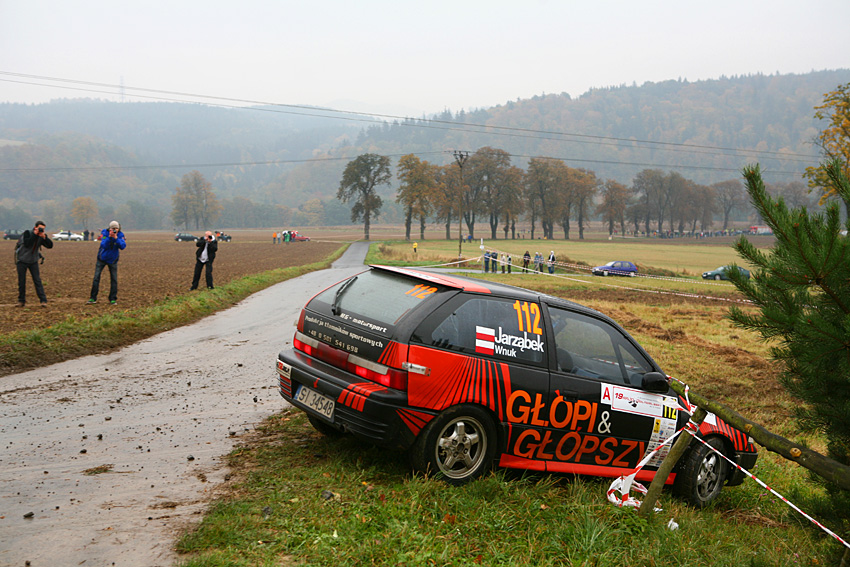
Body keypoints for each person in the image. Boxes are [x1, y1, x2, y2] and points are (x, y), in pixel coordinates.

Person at [15, 220, 53, 307]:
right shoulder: (27, 233)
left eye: (42, 229)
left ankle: (43, 301)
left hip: (33, 261)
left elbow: (50, 246)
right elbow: (28, 243)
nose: (41, 230)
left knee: (37, 281)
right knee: (22, 281)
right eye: (40, 228)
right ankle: (21, 301)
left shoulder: (41, 236)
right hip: (22, 260)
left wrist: (44, 237)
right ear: (35, 227)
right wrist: (34, 234)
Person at [88, 220, 126, 305]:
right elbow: (103, 245)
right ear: (109, 228)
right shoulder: (105, 233)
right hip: (102, 258)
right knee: (96, 278)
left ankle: (112, 299)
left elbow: (123, 246)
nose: (114, 230)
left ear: (118, 228)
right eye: (112, 228)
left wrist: (116, 238)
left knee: (114, 279)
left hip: (113, 260)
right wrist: (109, 237)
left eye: (116, 228)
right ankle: (92, 298)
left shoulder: (120, 235)